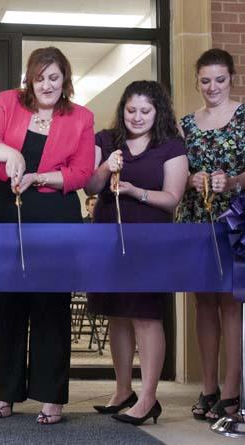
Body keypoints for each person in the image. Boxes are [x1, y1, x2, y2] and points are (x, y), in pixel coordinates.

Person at [0, 47, 94, 424]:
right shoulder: (8, 101)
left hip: (53, 211)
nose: (47, 84)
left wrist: (39, 177)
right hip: (2, 207)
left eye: (54, 77)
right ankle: (5, 394)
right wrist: (7, 152)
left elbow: (81, 172)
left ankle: (51, 396)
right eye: (40, 77)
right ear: (29, 79)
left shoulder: (81, 117)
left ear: (65, 80)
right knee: (6, 303)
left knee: (51, 304)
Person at [85, 80, 188, 425]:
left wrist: (134, 190)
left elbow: (172, 198)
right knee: (117, 313)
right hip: (108, 238)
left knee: (146, 314)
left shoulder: (171, 146)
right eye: (131, 110)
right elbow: (91, 186)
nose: (137, 117)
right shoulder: (106, 139)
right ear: (122, 109)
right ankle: (123, 390)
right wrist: (105, 167)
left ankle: (148, 399)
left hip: (151, 240)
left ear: (158, 112)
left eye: (145, 110)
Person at [176, 48, 244, 422]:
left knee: (230, 303)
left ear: (231, 78)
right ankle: (208, 387)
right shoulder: (186, 123)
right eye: (205, 81)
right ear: (197, 81)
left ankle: (232, 391)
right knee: (202, 302)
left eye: (219, 79)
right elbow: (174, 171)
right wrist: (190, 178)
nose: (212, 87)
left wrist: (232, 180)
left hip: (236, 221)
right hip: (195, 220)